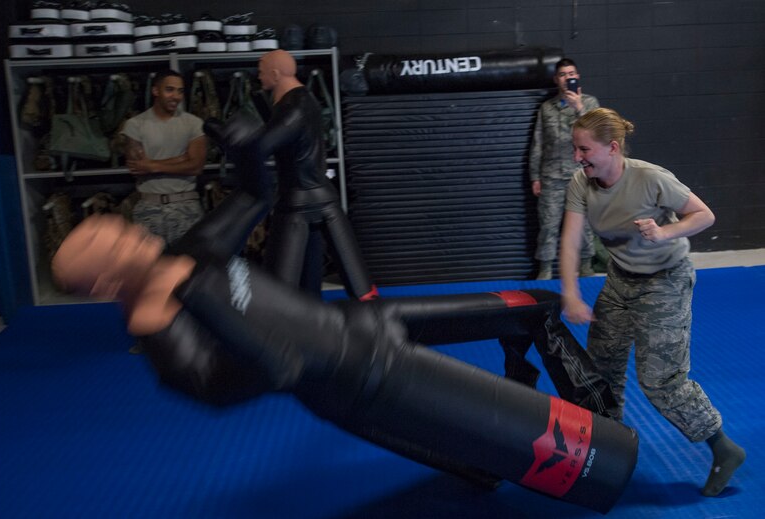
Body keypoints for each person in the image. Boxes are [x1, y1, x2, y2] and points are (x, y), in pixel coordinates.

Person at [50, 208, 638, 514]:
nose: (133, 234)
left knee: (527, 306)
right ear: (104, 284)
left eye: (122, 228)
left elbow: (254, 196)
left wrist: (265, 131)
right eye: (117, 245)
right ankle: (505, 452)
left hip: (368, 323)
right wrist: (211, 304)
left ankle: (583, 395)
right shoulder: (162, 334)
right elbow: (264, 374)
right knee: (590, 461)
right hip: (365, 381)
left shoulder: (186, 255)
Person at [560, 107, 746, 497]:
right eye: (575, 149)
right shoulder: (582, 183)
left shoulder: (650, 177)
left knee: (661, 382)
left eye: (584, 149)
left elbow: (704, 215)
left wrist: (665, 232)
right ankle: (608, 453)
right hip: (620, 281)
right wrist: (572, 294)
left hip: (666, 283)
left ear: (612, 148)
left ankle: (723, 449)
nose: (578, 157)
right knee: (601, 370)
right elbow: (570, 239)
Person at [206, 49, 378, 301]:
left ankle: (280, 333)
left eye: (262, 70)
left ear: (276, 74)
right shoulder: (297, 102)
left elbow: (261, 147)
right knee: (309, 286)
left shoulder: (294, 107)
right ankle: (317, 327)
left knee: (280, 289)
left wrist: (223, 134)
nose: (259, 75)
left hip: (298, 202)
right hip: (314, 197)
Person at [529, 58, 599, 280]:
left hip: (583, 175)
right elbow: (538, 143)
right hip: (552, 177)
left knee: (586, 226)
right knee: (548, 225)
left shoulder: (589, 104)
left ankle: (587, 266)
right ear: (556, 79)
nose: (568, 77)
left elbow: (596, 137)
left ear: (577, 77)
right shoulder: (547, 108)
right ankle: (546, 269)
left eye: (572, 73)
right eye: (563, 74)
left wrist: (579, 110)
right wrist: (535, 176)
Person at [121, 69, 208, 244]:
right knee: (151, 268)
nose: (176, 96)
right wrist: (182, 158)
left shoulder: (194, 124)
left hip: (187, 208)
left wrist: (153, 165)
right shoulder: (135, 125)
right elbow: (138, 169)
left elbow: (196, 166)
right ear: (155, 91)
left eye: (180, 91)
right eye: (170, 89)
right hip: (149, 209)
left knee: (187, 266)